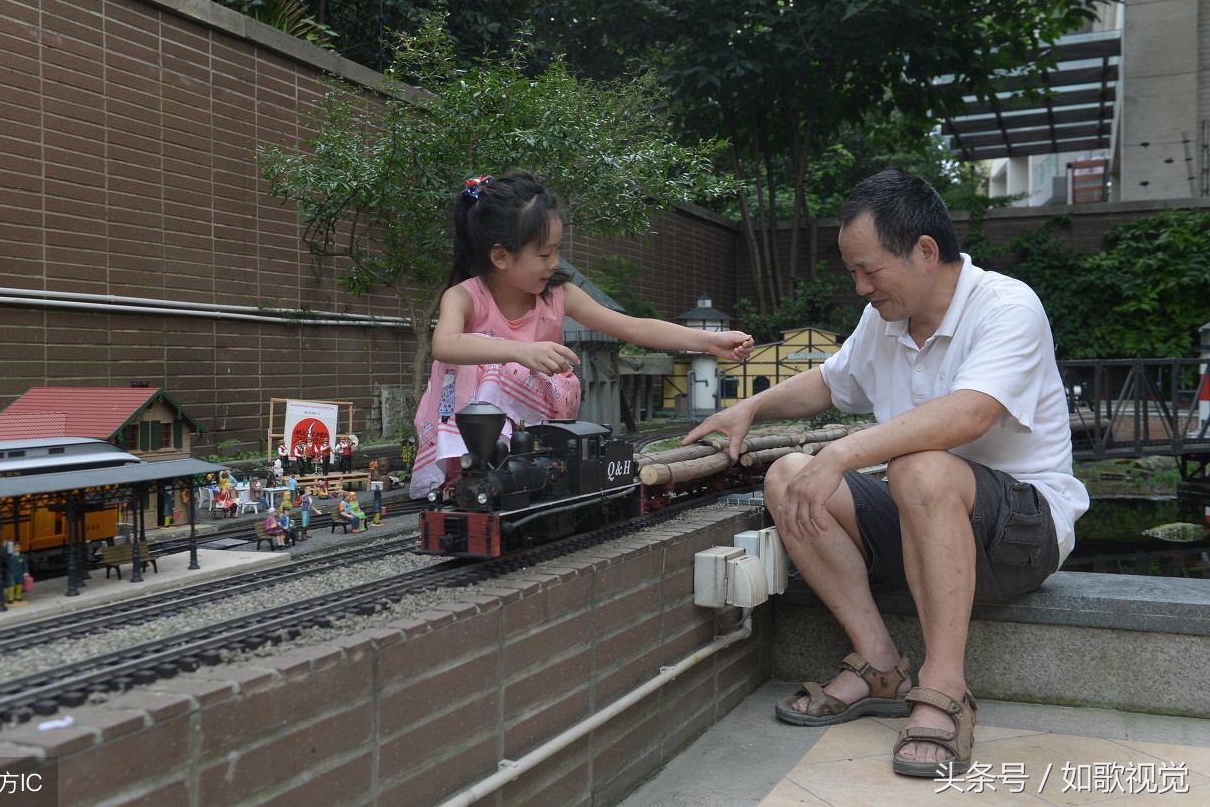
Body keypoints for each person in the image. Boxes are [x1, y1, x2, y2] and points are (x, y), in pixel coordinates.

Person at [683, 168, 1083, 779]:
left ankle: (945, 686)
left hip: (1020, 538)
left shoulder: (1006, 306)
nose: (861, 287)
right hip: (922, 523)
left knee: (920, 466)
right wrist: (750, 407)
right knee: (789, 475)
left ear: (925, 251)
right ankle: (879, 663)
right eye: (853, 272)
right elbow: (828, 382)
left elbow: (972, 413)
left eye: (870, 270)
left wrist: (843, 452)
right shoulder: (884, 321)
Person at [410, 170, 754, 498]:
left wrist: (709, 342)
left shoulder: (559, 295)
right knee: (475, 358)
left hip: (537, 420)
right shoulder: (465, 296)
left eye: (557, 251)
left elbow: (634, 326)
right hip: (474, 417)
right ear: (501, 256)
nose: (555, 263)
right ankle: (466, 469)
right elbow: (444, 345)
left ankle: (520, 469)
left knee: (507, 368)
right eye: (545, 254)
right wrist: (516, 350)